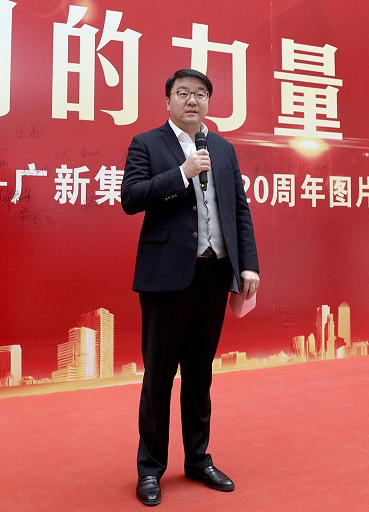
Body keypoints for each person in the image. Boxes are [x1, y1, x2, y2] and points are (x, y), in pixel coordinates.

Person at [121, 68, 260, 507]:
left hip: (213, 276)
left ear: (208, 102)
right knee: (159, 378)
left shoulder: (223, 148)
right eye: (183, 93)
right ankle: (150, 469)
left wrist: (248, 266)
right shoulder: (147, 144)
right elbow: (131, 198)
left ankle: (199, 459)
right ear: (168, 101)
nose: (192, 100)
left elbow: (238, 209)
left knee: (200, 376)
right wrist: (182, 172)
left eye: (200, 94)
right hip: (165, 279)